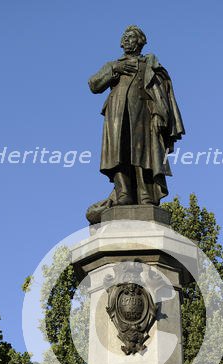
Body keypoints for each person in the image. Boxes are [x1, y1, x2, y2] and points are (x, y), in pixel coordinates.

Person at [87, 25, 185, 223]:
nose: (126, 40)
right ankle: (123, 194)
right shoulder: (113, 64)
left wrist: (159, 114)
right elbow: (94, 84)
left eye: (131, 37)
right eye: (124, 37)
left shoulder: (149, 65)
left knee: (143, 153)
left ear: (140, 42)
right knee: (118, 153)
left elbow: (160, 94)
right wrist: (115, 69)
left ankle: (145, 193)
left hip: (143, 114)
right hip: (116, 114)